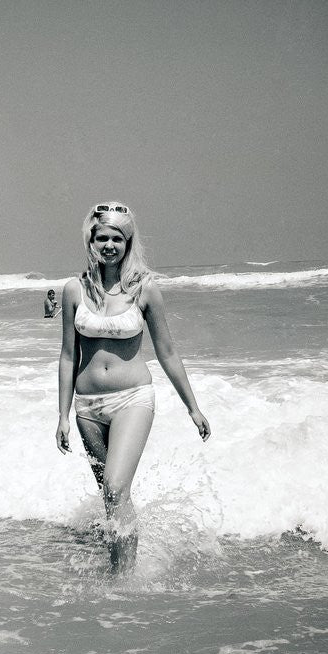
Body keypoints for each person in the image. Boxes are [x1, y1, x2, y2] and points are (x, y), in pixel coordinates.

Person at [56, 202, 210, 573]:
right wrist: (62, 415)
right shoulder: (74, 290)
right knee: (112, 496)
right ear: (91, 241)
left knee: (114, 486)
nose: (109, 245)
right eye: (102, 238)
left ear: (128, 243)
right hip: (87, 407)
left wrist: (193, 407)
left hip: (132, 400)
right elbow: (67, 356)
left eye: (117, 239)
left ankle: (124, 578)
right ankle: (120, 573)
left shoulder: (145, 290)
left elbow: (167, 352)